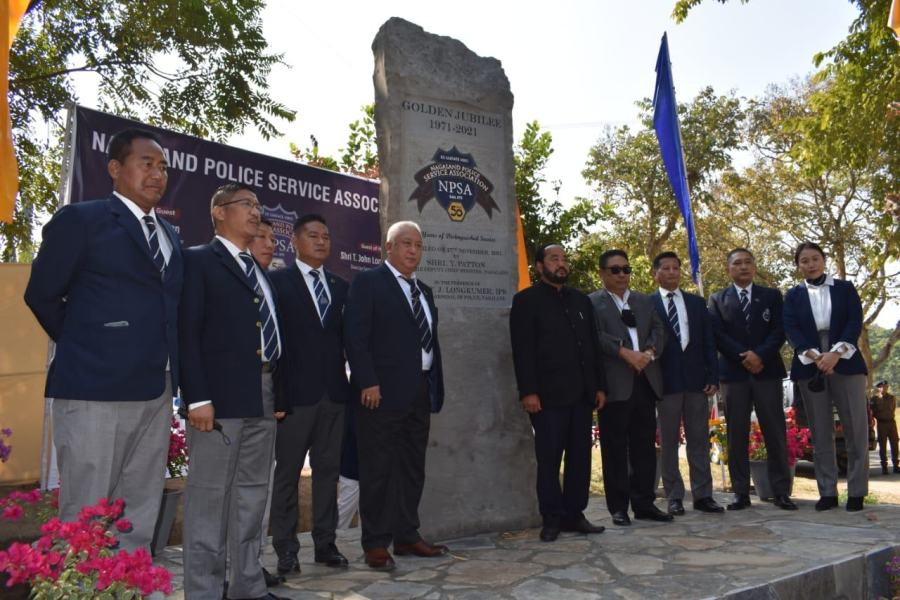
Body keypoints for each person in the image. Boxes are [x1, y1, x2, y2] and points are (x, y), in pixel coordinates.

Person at [24, 128, 182, 551]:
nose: (157, 174)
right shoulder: (82, 219)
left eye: (163, 166)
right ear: (115, 168)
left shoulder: (170, 236)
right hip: (94, 387)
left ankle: (128, 587)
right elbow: (41, 294)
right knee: (86, 514)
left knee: (139, 510)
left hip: (155, 388)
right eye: (146, 163)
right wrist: (88, 344)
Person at [179, 183, 287, 600]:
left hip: (262, 395)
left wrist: (280, 396)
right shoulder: (198, 261)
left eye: (258, 205)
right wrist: (198, 397)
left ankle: (248, 586)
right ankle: (204, 592)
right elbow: (188, 333)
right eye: (247, 204)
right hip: (219, 400)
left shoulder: (259, 271)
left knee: (251, 498)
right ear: (219, 212)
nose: (256, 211)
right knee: (209, 499)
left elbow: (272, 336)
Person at [343, 221, 447, 571]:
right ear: (389, 247)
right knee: (378, 469)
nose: (413, 250)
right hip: (380, 394)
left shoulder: (425, 291)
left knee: (411, 467)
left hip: (419, 390)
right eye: (405, 243)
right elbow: (355, 338)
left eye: (418, 244)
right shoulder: (369, 283)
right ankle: (375, 543)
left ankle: (406, 535)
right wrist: (367, 382)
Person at [268, 214, 350, 574]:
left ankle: (325, 543)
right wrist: (278, 397)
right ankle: (286, 548)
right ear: (295, 242)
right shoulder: (276, 283)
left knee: (328, 473)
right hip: (295, 398)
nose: (321, 241)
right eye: (313, 236)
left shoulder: (342, 286)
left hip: (334, 395)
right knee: (286, 475)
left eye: (326, 236)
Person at [509, 244, 607, 542]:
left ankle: (574, 515)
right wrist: (529, 391)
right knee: (549, 460)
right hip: (547, 398)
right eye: (554, 259)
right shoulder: (526, 301)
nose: (561, 264)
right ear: (539, 267)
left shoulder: (580, 300)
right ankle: (551, 518)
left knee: (580, 459)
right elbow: (522, 351)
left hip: (582, 396)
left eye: (564, 259)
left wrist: (599, 386)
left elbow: (592, 346)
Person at [708, 248, 796, 511]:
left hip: (767, 372)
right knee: (735, 434)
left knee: (775, 432)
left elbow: (779, 330)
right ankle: (740, 493)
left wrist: (759, 356)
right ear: (729, 269)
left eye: (748, 262)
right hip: (734, 375)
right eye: (737, 263)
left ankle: (780, 491)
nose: (743, 267)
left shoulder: (771, 296)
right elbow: (718, 334)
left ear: (754, 267)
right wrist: (743, 356)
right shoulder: (717, 299)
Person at [783, 242, 869, 511]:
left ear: (824, 260)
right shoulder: (793, 295)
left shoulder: (845, 289)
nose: (810, 264)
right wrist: (816, 356)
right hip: (810, 364)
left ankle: (857, 492)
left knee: (856, 429)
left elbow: (854, 322)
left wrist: (835, 354)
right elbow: (791, 329)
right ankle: (827, 492)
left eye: (815, 258)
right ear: (798, 266)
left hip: (846, 360)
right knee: (820, 432)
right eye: (804, 260)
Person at [589, 249, 671, 526]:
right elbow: (594, 336)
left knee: (645, 447)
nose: (622, 274)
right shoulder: (592, 303)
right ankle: (618, 507)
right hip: (615, 384)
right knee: (615, 448)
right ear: (602, 273)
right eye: (615, 270)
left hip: (646, 381)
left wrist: (647, 354)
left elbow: (660, 331)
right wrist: (624, 353)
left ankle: (644, 503)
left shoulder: (643, 301)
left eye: (626, 269)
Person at [650, 252, 723, 516]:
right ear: (655, 273)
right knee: (668, 441)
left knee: (699, 440)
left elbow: (709, 343)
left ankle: (703, 495)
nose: (672, 272)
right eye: (666, 268)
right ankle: (674, 496)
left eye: (676, 268)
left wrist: (712, 377)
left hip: (696, 383)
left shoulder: (696, 303)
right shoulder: (647, 304)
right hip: (665, 384)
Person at [246, 217, 285, 589]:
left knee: (261, 486)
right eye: (262, 237)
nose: (271, 244)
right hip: (235, 394)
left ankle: (251, 563)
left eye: (274, 238)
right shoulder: (226, 275)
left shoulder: (269, 282)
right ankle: (230, 568)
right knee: (234, 489)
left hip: (267, 388)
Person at [872, 380, 899, 475]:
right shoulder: (875, 399)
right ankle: (884, 467)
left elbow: (893, 409)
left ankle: (896, 466)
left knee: (895, 444)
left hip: (892, 423)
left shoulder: (892, 398)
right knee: (882, 446)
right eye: (882, 387)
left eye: (886, 386)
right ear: (878, 388)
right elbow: (872, 412)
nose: (884, 388)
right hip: (882, 424)